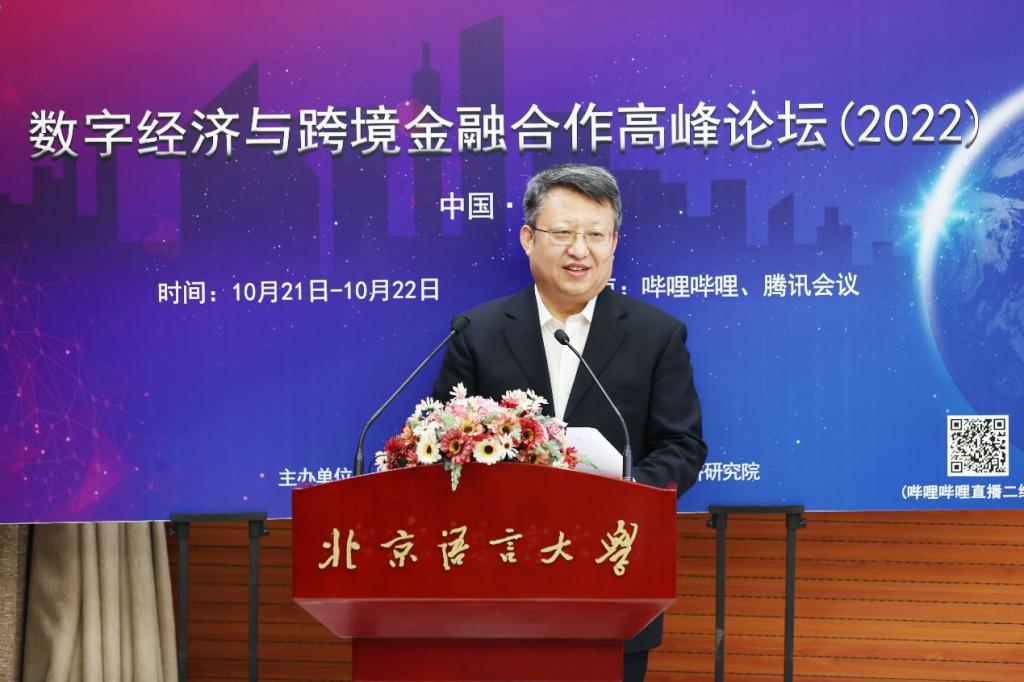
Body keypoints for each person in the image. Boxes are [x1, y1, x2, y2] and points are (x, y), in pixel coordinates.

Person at [433, 163, 707, 682]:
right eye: (562, 233)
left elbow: (682, 446)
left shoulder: (657, 335)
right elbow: (445, 443)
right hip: (499, 573)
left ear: (614, 243)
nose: (579, 250)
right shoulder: (476, 332)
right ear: (528, 238)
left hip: (612, 570)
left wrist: (625, 493)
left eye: (595, 235)